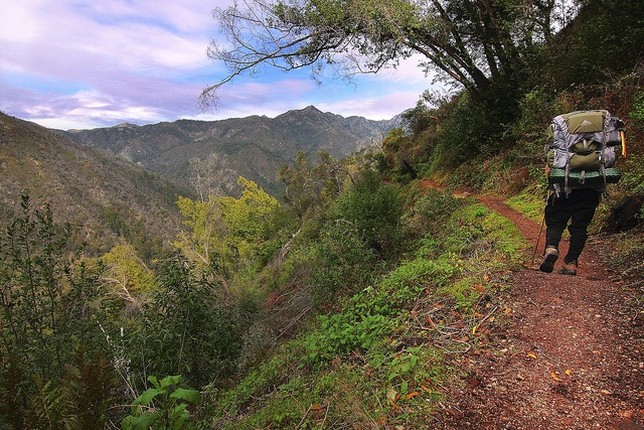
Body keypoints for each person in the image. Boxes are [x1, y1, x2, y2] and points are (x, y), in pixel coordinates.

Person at [539, 186, 601, 275]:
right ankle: (570, 262)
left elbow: (550, 173)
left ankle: (552, 248)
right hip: (590, 194)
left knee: (555, 223)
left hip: (562, 191)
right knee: (580, 228)